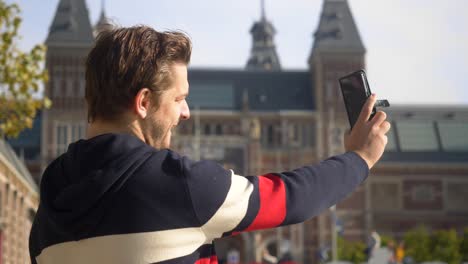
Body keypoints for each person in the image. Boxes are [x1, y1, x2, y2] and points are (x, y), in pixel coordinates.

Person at [28, 26, 391, 264]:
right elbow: (289, 198)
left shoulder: (50, 201)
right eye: (179, 99)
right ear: (143, 103)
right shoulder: (177, 186)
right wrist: (359, 158)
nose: (185, 112)